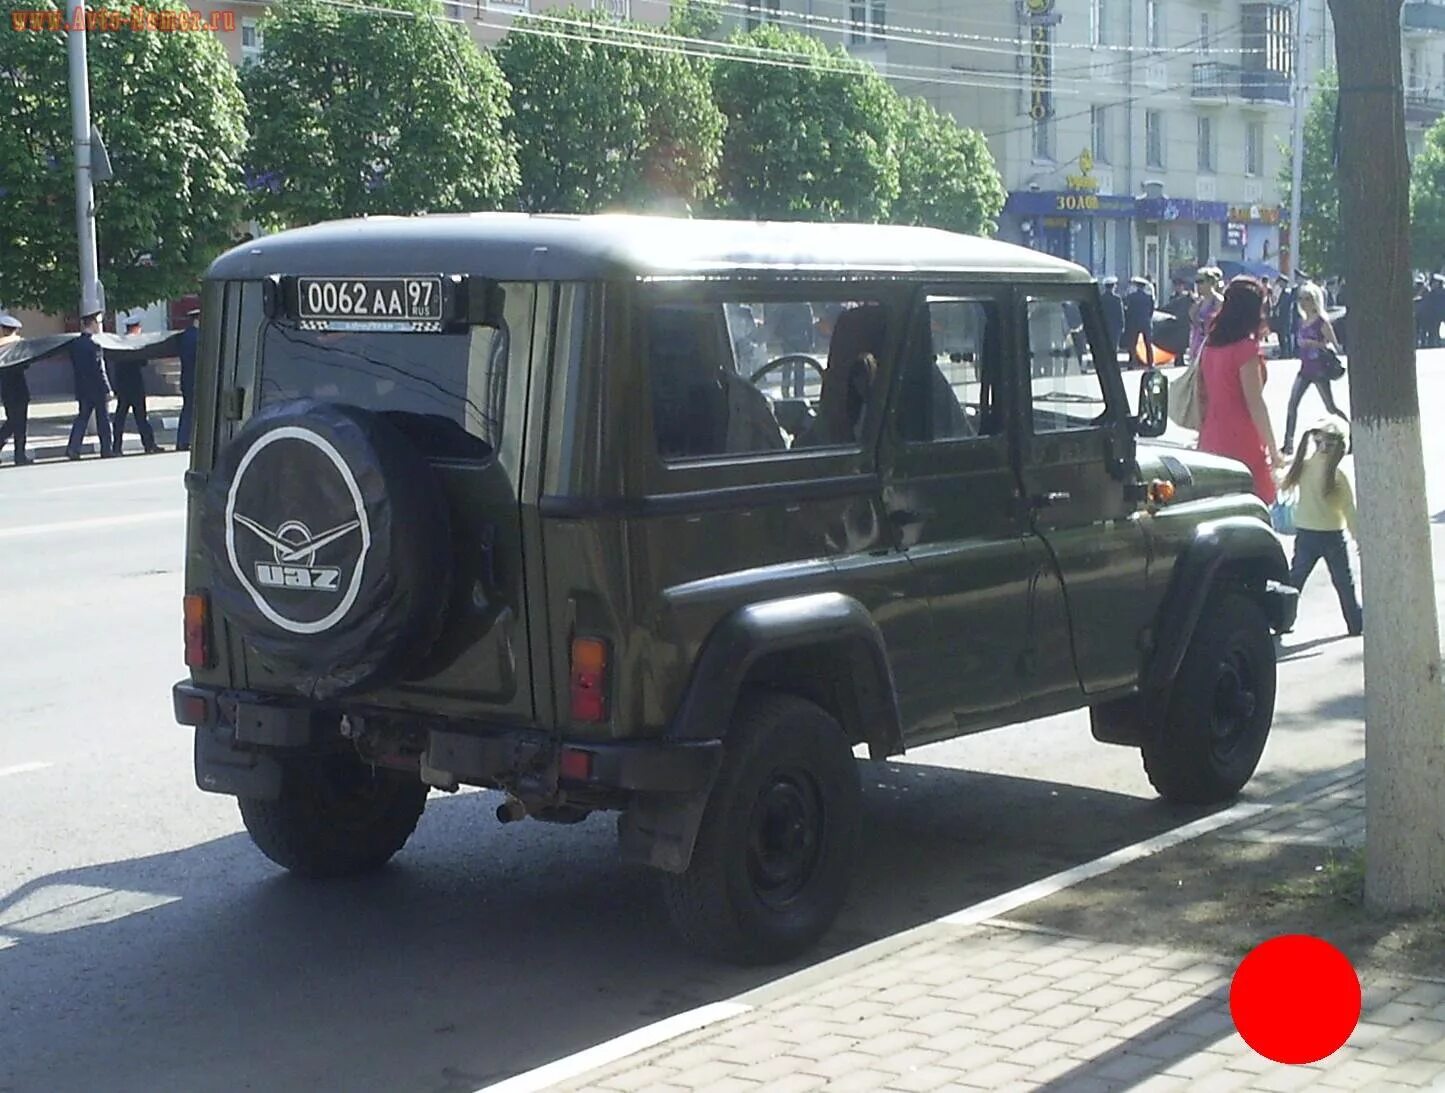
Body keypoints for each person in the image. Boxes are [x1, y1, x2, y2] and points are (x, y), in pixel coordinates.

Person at [1198, 277, 1281, 503]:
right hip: (1242, 438)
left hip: (1211, 435)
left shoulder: (1210, 346)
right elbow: (1255, 403)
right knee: (1256, 504)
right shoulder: (1246, 349)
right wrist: (1274, 451)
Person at [1280, 416, 1362, 636]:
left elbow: (1281, 482)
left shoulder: (1302, 467)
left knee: (1294, 580)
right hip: (1333, 536)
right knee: (1344, 583)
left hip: (1305, 534)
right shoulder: (1338, 476)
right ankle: (1355, 624)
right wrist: (1359, 538)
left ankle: (1281, 620)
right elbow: (1349, 510)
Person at [1282, 282, 1347, 455]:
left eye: (1308, 299)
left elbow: (1334, 345)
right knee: (1292, 404)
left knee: (1330, 407)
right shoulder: (1301, 321)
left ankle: (1351, 433)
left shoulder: (1321, 321)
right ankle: (1288, 444)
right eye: (1301, 299)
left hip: (1319, 369)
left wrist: (1314, 343)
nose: (1304, 302)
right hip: (1305, 369)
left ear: (1315, 300)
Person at [66, 311, 113, 460]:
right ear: (92, 324)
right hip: (97, 388)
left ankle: (73, 448)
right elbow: (100, 369)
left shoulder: (75, 345)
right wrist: (108, 389)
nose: (99, 326)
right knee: (103, 420)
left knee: (82, 419)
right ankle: (106, 449)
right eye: (98, 323)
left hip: (82, 387)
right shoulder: (94, 345)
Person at [111, 319, 161, 455]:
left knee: (120, 419)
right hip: (136, 387)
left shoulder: (119, 342)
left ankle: (116, 448)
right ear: (136, 328)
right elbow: (143, 362)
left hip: (122, 387)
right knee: (141, 418)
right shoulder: (136, 343)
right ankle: (149, 445)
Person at [0, 313, 32, 465]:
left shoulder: (2, 347)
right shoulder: (17, 346)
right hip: (19, 390)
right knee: (18, 424)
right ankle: (20, 456)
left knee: (13, 423)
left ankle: (20, 455)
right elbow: (26, 365)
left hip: (6, 391)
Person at [1189, 267, 1224, 365]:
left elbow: (1220, 322)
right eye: (1196, 282)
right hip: (1198, 344)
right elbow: (1193, 321)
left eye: (1201, 282)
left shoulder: (1218, 300)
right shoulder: (1200, 302)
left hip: (1212, 343)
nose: (1198, 285)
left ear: (1210, 282)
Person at [176, 306, 200, 451]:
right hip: (196, 379)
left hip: (186, 378)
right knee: (192, 410)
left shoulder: (184, 336)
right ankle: (186, 440)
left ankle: (182, 440)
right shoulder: (198, 337)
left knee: (187, 410)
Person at [1122, 275, 1156, 369]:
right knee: (1148, 344)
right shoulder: (1149, 297)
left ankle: (1132, 363)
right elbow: (1151, 311)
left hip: (1134, 322)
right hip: (1146, 322)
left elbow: (1128, 310)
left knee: (1132, 344)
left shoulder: (1131, 297)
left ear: (1136, 286)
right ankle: (1151, 363)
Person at [1100, 276, 1124, 361]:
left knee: (1105, 345)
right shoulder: (1117, 299)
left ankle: (1105, 361)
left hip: (1104, 326)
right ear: (1114, 286)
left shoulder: (1101, 299)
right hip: (1115, 326)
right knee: (1114, 346)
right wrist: (1122, 325)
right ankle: (1113, 361)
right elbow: (1120, 313)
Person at [1272, 276, 1296, 357]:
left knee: (1285, 335)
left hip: (1286, 317)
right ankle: (1284, 352)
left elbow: (1284, 304)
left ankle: (1287, 353)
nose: (1279, 284)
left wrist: (1277, 308)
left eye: (1281, 282)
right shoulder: (1282, 292)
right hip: (1281, 318)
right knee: (1281, 335)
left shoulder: (1288, 292)